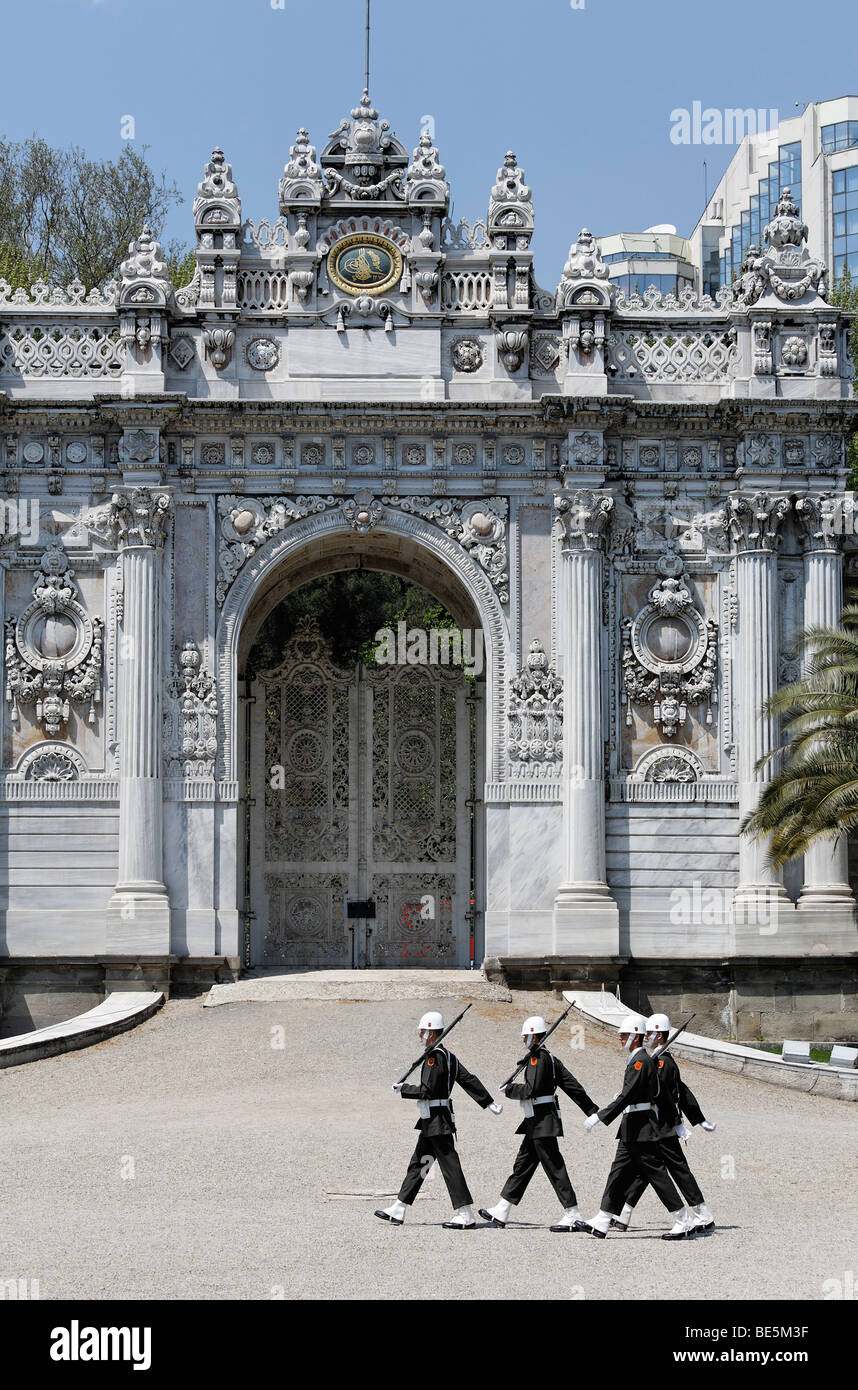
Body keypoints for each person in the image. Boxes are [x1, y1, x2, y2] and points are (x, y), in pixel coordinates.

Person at [375, 1010, 502, 1230]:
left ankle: (465, 1214)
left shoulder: (435, 1057)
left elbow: (427, 1091)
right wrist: (488, 1102)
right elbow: (468, 1079)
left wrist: (404, 1089)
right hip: (432, 1121)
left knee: (449, 1166)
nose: (420, 1035)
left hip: (437, 1121)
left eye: (423, 1031)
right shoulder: (449, 1056)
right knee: (420, 1163)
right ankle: (400, 1206)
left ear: (432, 1033)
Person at [479, 1015, 599, 1232]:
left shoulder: (538, 1059)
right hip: (538, 1122)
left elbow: (531, 1090)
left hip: (542, 1121)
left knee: (554, 1167)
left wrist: (510, 1090)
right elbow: (573, 1086)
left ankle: (572, 1213)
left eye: (525, 1035)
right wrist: (590, 1109)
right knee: (522, 1166)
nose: (523, 1039)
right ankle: (503, 1208)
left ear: (534, 1035)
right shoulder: (549, 1059)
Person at [582, 1015, 695, 1240]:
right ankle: (603, 1219)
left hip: (642, 1129)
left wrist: (600, 1116)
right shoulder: (640, 1060)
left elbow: (629, 1095)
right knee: (618, 1172)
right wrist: (676, 1122)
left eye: (624, 1034)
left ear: (635, 1037)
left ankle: (683, 1219)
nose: (620, 1038)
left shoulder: (641, 1061)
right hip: (631, 1128)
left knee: (656, 1175)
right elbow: (660, 1094)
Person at [609, 1012, 716, 1236]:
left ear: (659, 1036)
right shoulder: (657, 1060)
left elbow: (671, 1092)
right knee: (646, 1169)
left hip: (662, 1124)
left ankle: (702, 1214)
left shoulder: (663, 1063)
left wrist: (690, 1120)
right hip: (657, 1123)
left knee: (675, 1169)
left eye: (649, 1033)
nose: (645, 1036)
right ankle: (622, 1214)